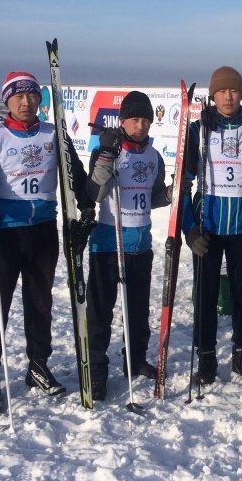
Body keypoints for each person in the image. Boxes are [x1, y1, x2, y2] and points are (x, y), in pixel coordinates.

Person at [0, 71, 94, 405]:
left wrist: (86, 206)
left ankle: (38, 363)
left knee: (40, 302)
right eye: (18, 97)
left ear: (40, 100)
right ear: (7, 101)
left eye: (31, 96)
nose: (25, 102)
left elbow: (75, 173)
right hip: (4, 233)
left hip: (42, 229)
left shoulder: (53, 133)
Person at [182, 66, 242, 386]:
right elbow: (183, 183)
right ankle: (207, 357)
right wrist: (189, 228)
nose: (228, 97)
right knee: (206, 295)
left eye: (233, 90)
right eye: (221, 91)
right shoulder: (198, 130)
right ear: (213, 96)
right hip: (207, 226)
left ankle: (241, 353)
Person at [85, 91, 170, 401]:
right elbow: (94, 193)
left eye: (146, 120)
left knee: (137, 310)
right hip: (109, 243)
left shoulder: (154, 156)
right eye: (135, 119)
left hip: (140, 244)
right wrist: (107, 155)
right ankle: (96, 369)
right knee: (101, 312)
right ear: (122, 121)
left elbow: (153, 197)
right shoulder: (108, 149)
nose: (141, 125)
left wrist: (171, 193)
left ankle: (135, 359)